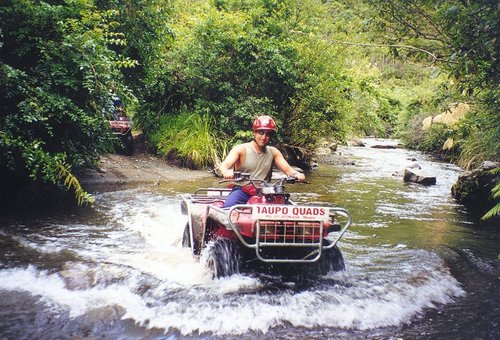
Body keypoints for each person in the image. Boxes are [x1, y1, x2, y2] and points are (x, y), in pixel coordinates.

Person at [219, 115, 306, 207]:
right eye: (261, 133)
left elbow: (289, 171)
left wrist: (297, 174)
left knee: (289, 208)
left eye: (268, 134)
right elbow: (225, 165)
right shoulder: (241, 149)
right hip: (242, 190)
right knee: (228, 207)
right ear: (254, 133)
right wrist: (226, 171)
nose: (264, 137)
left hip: (265, 192)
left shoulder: (274, 152)